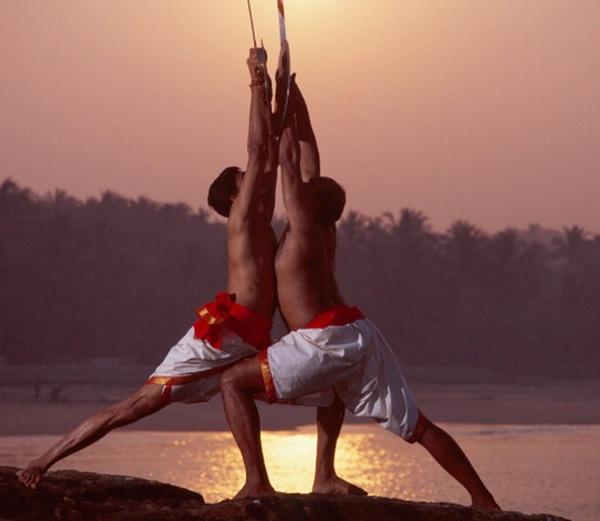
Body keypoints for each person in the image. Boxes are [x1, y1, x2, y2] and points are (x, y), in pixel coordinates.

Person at [220, 77, 501, 510]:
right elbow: (310, 157)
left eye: (302, 196)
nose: (296, 193)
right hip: (358, 332)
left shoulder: (306, 229)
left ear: (309, 205)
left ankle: (256, 481)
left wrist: (274, 107)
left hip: (325, 339)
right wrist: (295, 98)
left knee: (232, 382)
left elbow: (292, 162)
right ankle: (481, 500)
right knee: (413, 424)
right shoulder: (323, 225)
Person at [17, 46, 280, 490]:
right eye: (245, 179)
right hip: (224, 336)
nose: (255, 179)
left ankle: (262, 482)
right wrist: (255, 80)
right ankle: (43, 461)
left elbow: (267, 155)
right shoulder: (242, 220)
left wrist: (271, 98)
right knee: (135, 406)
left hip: (246, 337)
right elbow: (257, 151)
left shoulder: (260, 216)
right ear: (234, 198)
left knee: (280, 387)